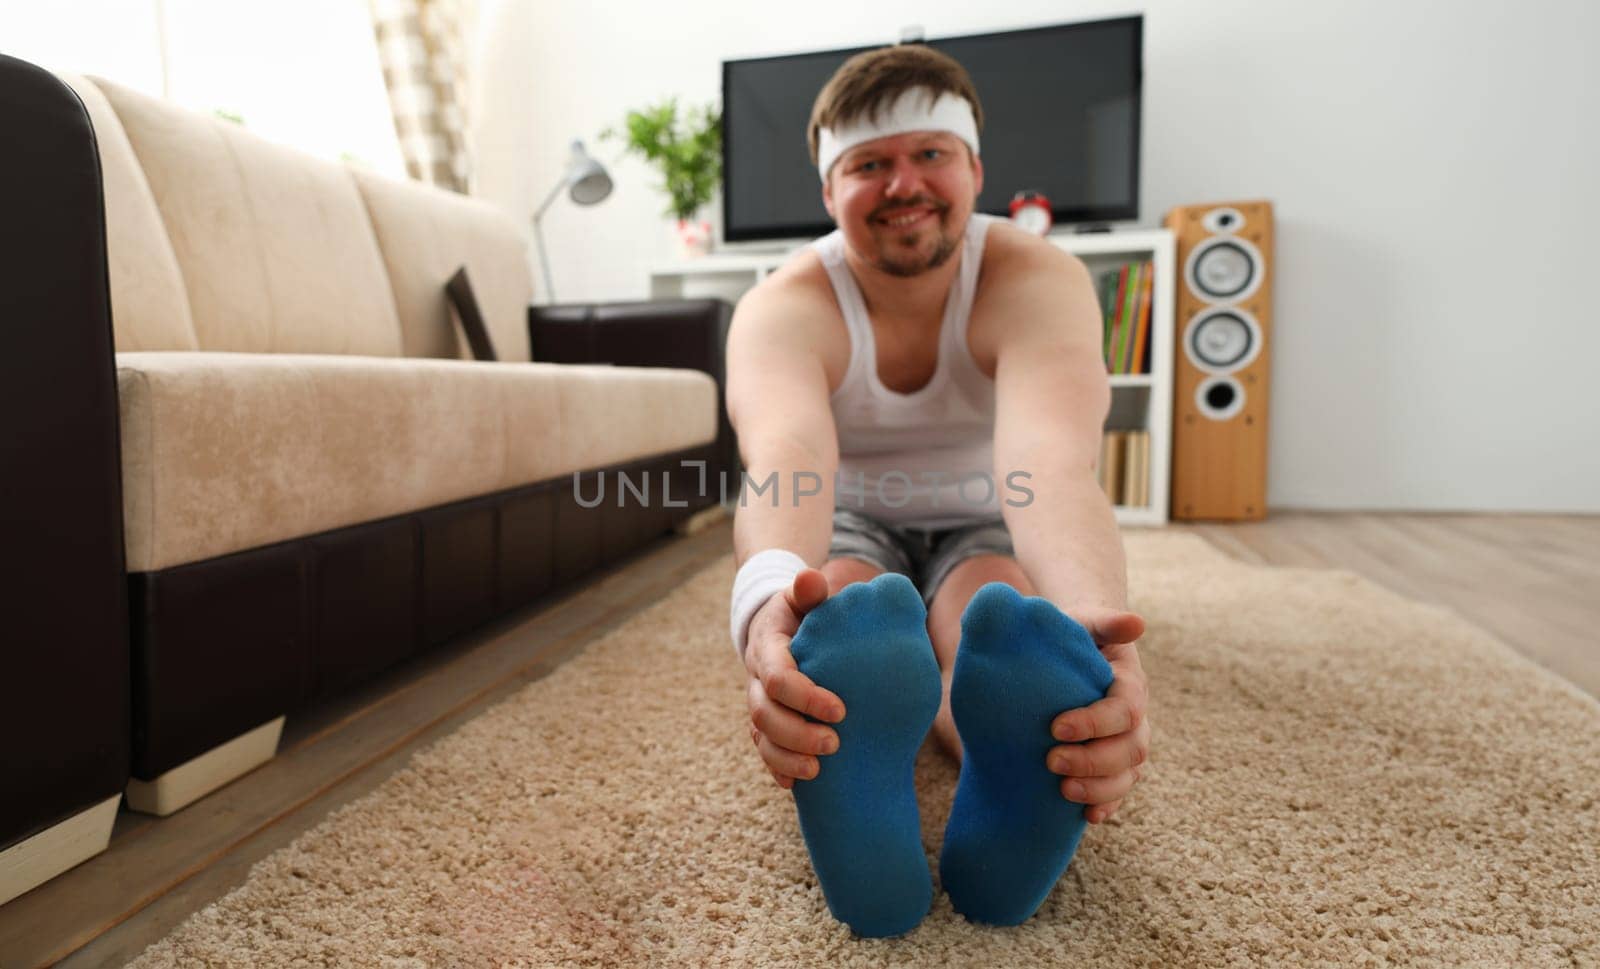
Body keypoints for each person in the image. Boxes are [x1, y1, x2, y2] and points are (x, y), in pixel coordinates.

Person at [723, 43, 1151, 936]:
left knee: (998, 613)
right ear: (828, 192)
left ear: (975, 170)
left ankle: (1019, 736)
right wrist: (769, 610)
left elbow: (1048, 466)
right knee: (834, 605)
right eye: (869, 164)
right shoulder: (784, 303)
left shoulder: (1036, 277)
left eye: (930, 155)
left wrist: (1095, 642)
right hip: (850, 512)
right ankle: (852, 714)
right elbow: (788, 460)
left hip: (984, 512)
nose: (903, 183)